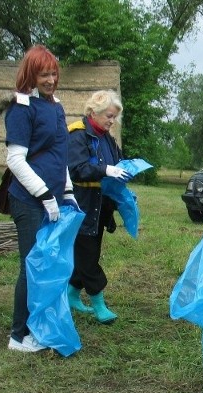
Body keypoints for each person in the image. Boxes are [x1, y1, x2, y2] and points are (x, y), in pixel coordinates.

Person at [0, 45, 76, 352]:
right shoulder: (21, 108)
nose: (50, 79)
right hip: (29, 200)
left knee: (48, 264)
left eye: (54, 72)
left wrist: (67, 192)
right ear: (31, 73)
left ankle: (39, 326)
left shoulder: (56, 106)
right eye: (44, 73)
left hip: (55, 199)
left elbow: (60, 155)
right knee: (31, 264)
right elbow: (15, 160)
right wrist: (45, 194)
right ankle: (19, 336)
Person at [67, 90, 132, 324]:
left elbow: (117, 163)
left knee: (87, 252)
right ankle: (99, 304)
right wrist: (105, 170)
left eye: (114, 117)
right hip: (82, 204)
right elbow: (76, 168)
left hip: (100, 205)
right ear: (93, 112)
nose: (111, 121)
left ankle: (72, 294)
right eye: (109, 116)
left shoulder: (107, 137)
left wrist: (126, 170)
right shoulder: (78, 134)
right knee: (88, 256)